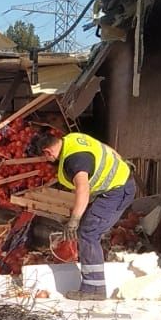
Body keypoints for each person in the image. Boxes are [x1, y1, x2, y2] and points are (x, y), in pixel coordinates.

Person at [29, 128, 136, 300]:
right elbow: (106, 149)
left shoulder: (74, 161)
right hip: (118, 185)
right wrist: (122, 163)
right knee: (88, 230)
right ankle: (93, 285)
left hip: (117, 191)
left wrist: (74, 220)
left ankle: (93, 289)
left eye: (45, 158)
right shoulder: (72, 140)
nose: (47, 161)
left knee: (88, 233)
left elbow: (83, 189)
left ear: (47, 152)